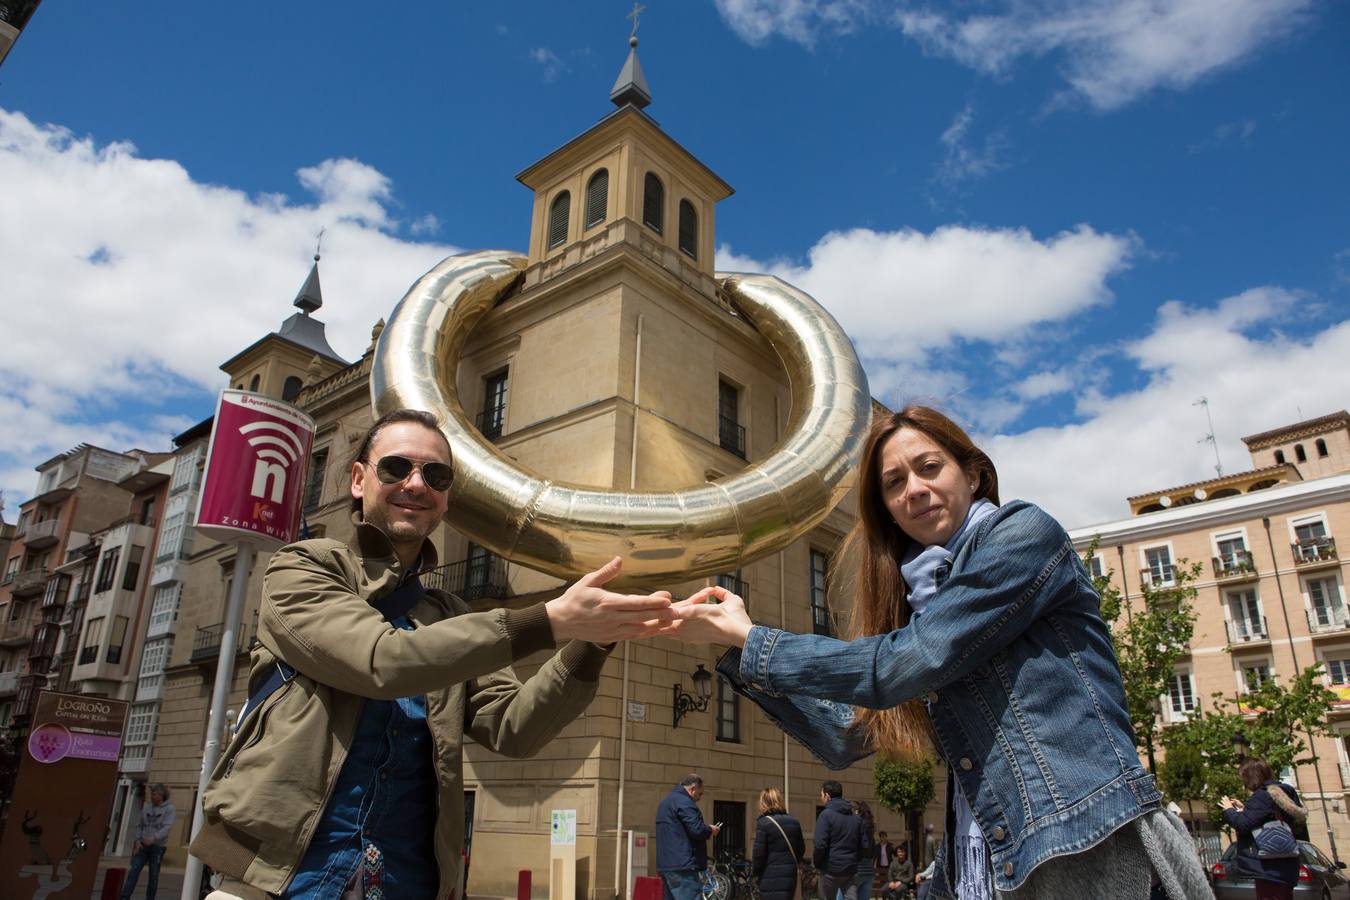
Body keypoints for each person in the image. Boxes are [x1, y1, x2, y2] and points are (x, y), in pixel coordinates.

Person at [660, 406, 1211, 900]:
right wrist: (731, 644)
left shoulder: (1023, 535)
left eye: (929, 468)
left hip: (1082, 847)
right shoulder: (918, 605)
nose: (914, 489)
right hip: (980, 859)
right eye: (894, 483)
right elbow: (845, 735)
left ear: (973, 474)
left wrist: (756, 643)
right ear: (888, 512)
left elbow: (907, 662)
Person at [194, 408, 674, 900]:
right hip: (277, 882)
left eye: (436, 474)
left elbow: (514, 728)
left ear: (446, 496)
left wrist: (595, 637)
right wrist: (548, 620)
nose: (417, 484)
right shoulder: (301, 568)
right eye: (396, 468)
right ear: (359, 480)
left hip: (409, 883)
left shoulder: (450, 612)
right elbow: (382, 662)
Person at [1220, 759, 1303, 900]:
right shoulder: (1284, 791)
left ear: (1252, 777)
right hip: (1286, 863)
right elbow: (1267, 816)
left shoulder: (1262, 796)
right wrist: (1245, 809)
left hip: (1269, 866)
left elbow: (1242, 824)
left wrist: (1229, 810)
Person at [656, 774, 721, 900]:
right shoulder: (685, 802)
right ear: (692, 789)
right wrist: (710, 830)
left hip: (666, 865)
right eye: (700, 794)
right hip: (683, 865)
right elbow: (696, 829)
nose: (699, 798)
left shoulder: (665, 802)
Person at [121, 783, 175, 900]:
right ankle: (124, 897)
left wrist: (154, 838)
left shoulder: (169, 809)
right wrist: (137, 840)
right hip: (142, 845)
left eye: (155, 794)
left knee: (153, 876)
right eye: (152, 794)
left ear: (161, 795)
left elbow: (166, 827)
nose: (152, 796)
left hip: (158, 847)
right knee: (133, 871)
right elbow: (140, 825)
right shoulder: (147, 808)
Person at [752, 787, 805, 900]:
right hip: (790, 875)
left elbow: (759, 854)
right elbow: (801, 849)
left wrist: (755, 873)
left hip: (769, 875)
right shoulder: (794, 821)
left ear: (764, 802)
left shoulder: (763, 823)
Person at [814, 781, 864, 900]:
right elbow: (863, 845)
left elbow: (820, 844)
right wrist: (855, 860)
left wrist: (818, 863)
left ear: (827, 796)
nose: (821, 798)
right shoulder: (856, 819)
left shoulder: (826, 815)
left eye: (821, 795)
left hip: (830, 869)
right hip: (850, 869)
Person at [852, 800, 877, 899]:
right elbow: (874, 851)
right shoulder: (870, 828)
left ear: (857, 811)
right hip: (869, 872)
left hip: (856, 870)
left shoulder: (855, 826)